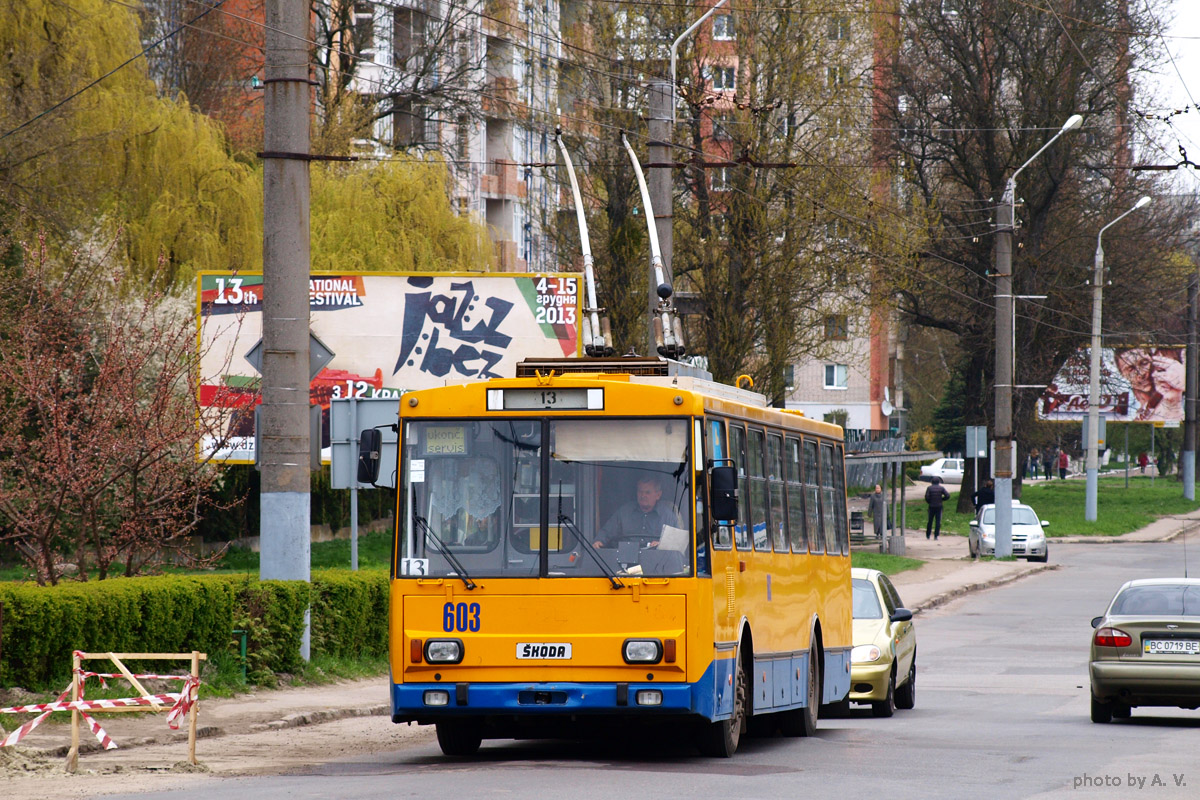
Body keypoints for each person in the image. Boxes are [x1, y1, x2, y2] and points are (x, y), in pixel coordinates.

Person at [594, 474, 679, 549]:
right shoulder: (624, 512)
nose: (643, 495)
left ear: (658, 495)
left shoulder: (668, 516)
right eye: (640, 492)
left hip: (658, 561)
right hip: (626, 559)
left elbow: (676, 544)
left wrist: (662, 545)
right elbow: (607, 532)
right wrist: (598, 541)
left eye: (647, 492)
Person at [924, 476, 950, 541]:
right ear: (938, 482)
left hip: (931, 506)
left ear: (932, 482)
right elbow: (947, 495)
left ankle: (928, 534)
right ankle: (936, 535)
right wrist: (942, 499)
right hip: (939, 506)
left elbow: (927, 497)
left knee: (930, 521)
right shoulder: (941, 488)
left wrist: (929, 501)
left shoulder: (929, 488)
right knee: (938, 521)